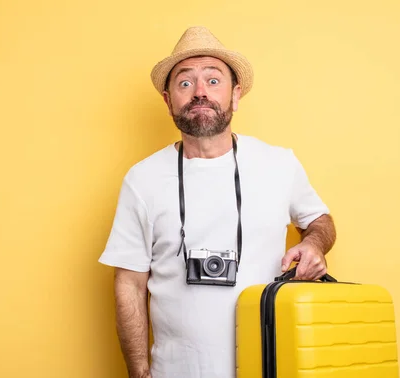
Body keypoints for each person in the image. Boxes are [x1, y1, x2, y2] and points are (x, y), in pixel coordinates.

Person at [98, 26, 337, 378]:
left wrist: (315, 244)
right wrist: (138, 372)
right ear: (168, 101)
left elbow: (320, 221)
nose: (199, 93)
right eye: (184, 83)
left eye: (213, 81)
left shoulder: (279, 163)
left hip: (271, 365)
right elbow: (129, 283)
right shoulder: (142, 179)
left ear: (235, 95)